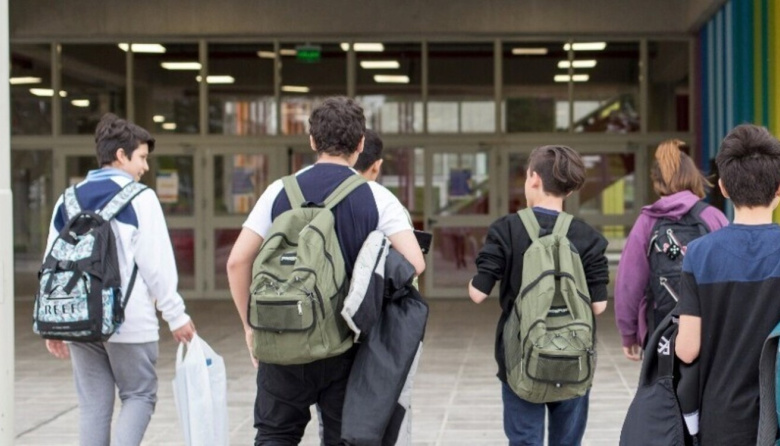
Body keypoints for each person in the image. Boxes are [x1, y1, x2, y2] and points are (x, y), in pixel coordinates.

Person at [226, 96, 425, 445]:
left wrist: (249, 325)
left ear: (312, 141)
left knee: (275, 434)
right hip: (344, 346)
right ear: (361, 144)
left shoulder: (278, 191)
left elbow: (237, 261)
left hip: (281, 336)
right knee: (340, 436)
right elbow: (415, 264)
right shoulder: (376, 197)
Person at [43, 113, 196, 446]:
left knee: (92, 406)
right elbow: (157, 265)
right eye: (141, 157)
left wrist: (53, 322)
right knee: (139, 395)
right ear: (121, 155)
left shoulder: (67, 200)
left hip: (79, 321)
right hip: (129, 321)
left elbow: (51, 263)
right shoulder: (141, 199)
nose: (145, 167)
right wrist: (176, 315)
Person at [467, 145, 609, 446]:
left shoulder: (506, 229)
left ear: (533, 178)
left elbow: (478, 294)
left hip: (519, 356)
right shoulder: (588, 237)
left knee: (524, 441)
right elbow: (598, 306)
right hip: (574, 355)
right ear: (568, 191)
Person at [675, 124, 780, 445]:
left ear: (722, 187)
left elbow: (688, 350)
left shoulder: (700, 253)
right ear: (778, 189)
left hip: (722, 415)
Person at [614, 139, 728, 361]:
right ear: (693, 176)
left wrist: (629, 334)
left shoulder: (647, 222)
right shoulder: (712, 217)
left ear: (657, 181)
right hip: (709, 332)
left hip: (661, 331)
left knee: (663, 391)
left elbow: (629, 283)